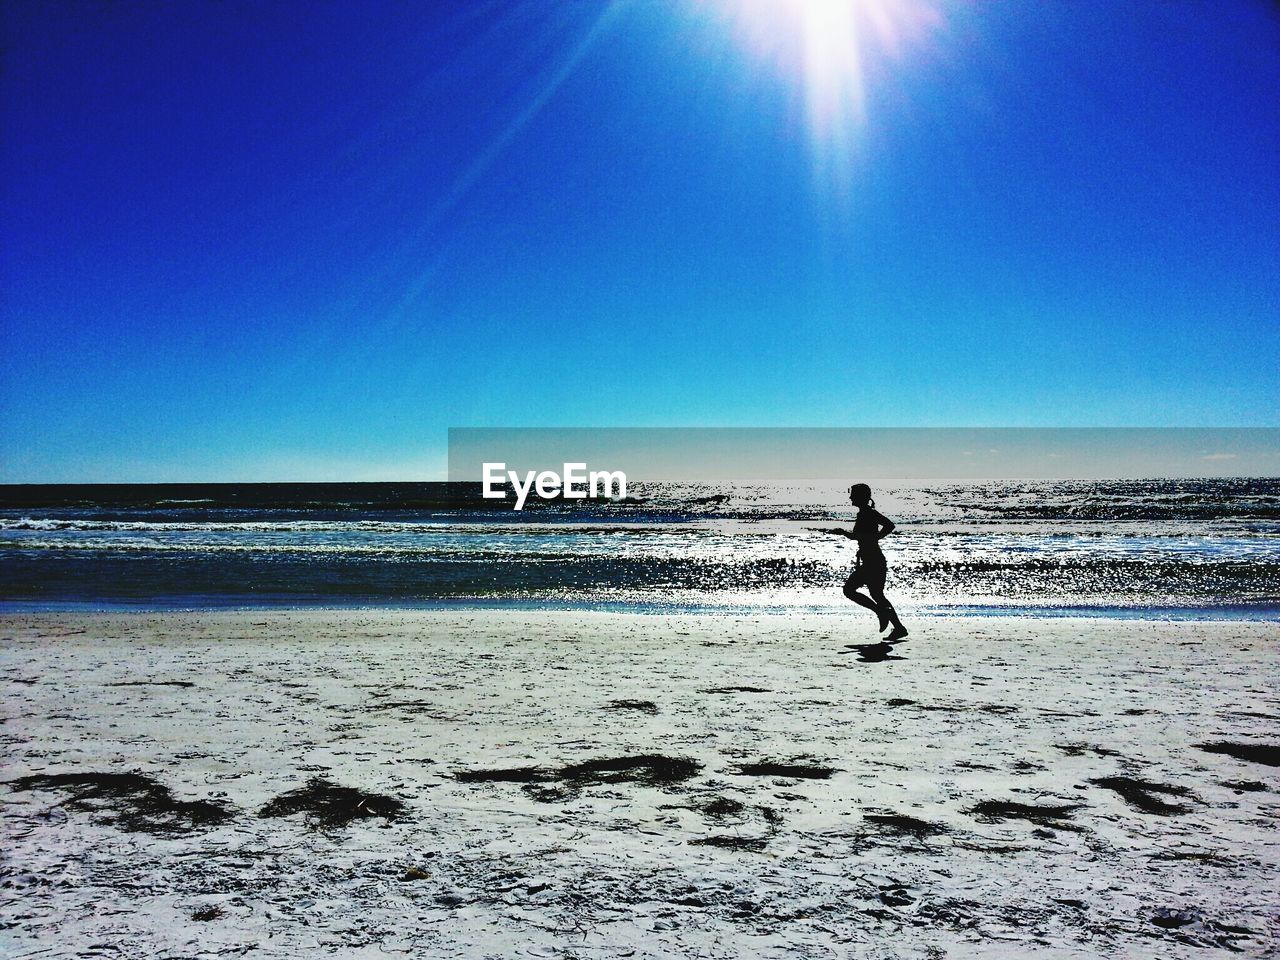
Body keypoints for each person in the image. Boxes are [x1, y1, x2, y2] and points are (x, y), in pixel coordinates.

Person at [834, 483, 908, 643]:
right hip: (871, 560)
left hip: (873, 562)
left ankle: (881, 613)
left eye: (853, 494)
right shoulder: (864, 513)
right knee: (877, 595)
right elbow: (862, 536)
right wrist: (848, 534)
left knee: (850, 590)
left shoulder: (868, 513)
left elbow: (889, 525)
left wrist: (874, 538)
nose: (850, 497)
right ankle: (898, 627)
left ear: (861, 496)